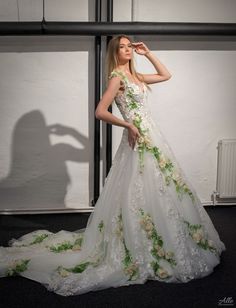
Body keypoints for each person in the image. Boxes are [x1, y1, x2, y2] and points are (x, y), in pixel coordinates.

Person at [0, 35, 226, 296]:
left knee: (160, 187)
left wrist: (148, 53)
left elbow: (166, 75)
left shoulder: (137, 77)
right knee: (136, 189)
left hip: (152, 136)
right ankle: (136, 239)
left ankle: (155, 235)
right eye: (122, 47)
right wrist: (127, 124)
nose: (128, 50)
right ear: (115, 52)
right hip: (136, 137)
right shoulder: (116, 76)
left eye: (130, 46)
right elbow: (100, 111)